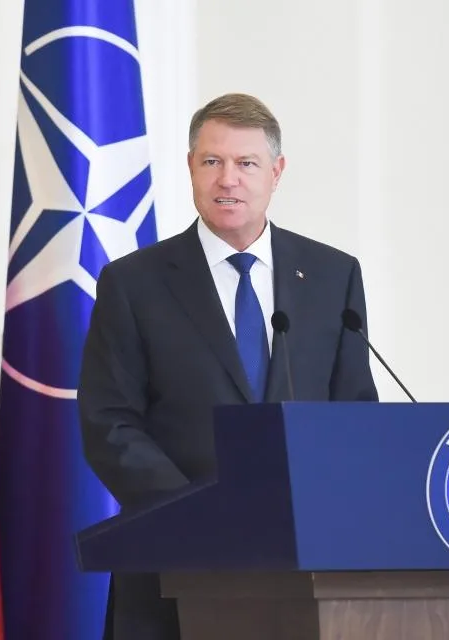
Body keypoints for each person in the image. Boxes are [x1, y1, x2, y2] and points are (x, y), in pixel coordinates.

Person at [77, 93, 379, 640]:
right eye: (212, 161)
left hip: (305, 568)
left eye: (247, 163)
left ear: (276, 172)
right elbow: (110, 423)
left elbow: (354, 415)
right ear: (190, 167)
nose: (228, 179)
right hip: (171, 564)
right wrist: (197, 512)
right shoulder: (133, 283)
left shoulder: (332, 276)